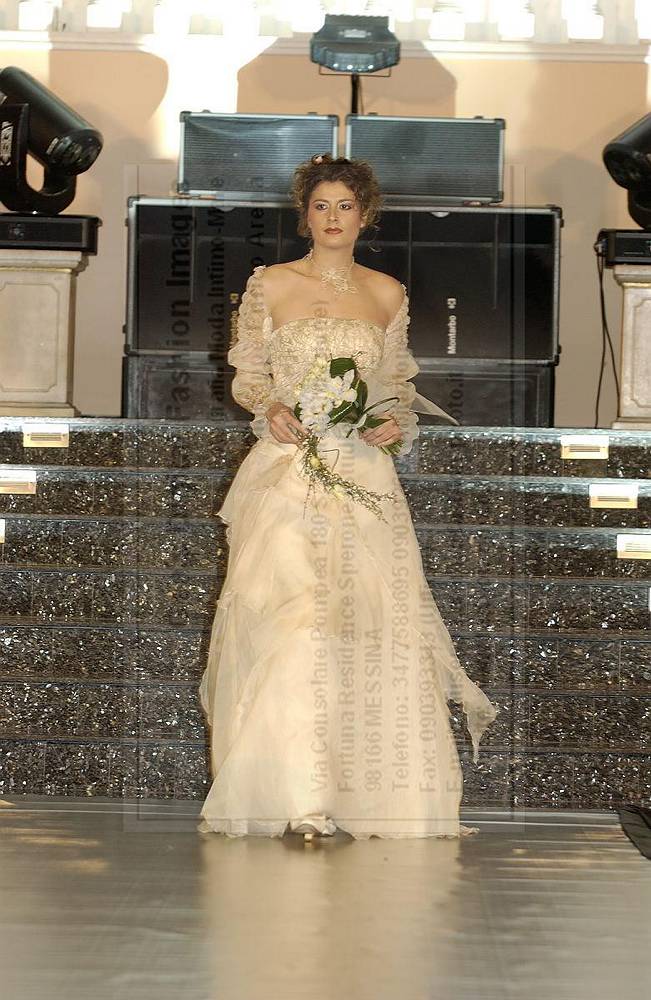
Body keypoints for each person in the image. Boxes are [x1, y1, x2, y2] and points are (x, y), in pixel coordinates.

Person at [198, 154, 498, 842]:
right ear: (304, 216)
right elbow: (247, 375)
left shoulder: (386, 293)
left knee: (370, 627)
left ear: (365, 216)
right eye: (320, 206)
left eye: (345, 206)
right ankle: (296, 794)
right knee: (295, 618)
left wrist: (394, 420)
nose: (333, 217)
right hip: (287, 470)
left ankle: (368, 791)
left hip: (362, 476)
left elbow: (392, 386)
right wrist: (271, 406)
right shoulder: (271, 283)